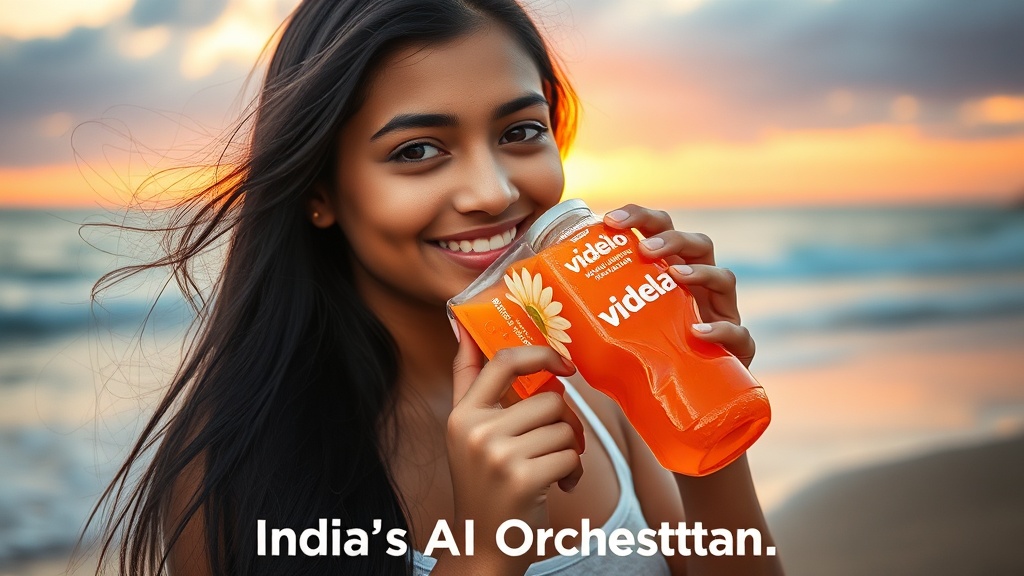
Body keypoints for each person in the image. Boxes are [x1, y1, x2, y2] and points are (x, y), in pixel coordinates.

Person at [88, 0, 783, 574]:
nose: (493, 191)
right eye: (418, 150)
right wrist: (483, 555)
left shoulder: (602, 376)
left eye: (521, 131)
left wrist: (699, 404)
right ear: (319, 191)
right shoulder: (230, 468)